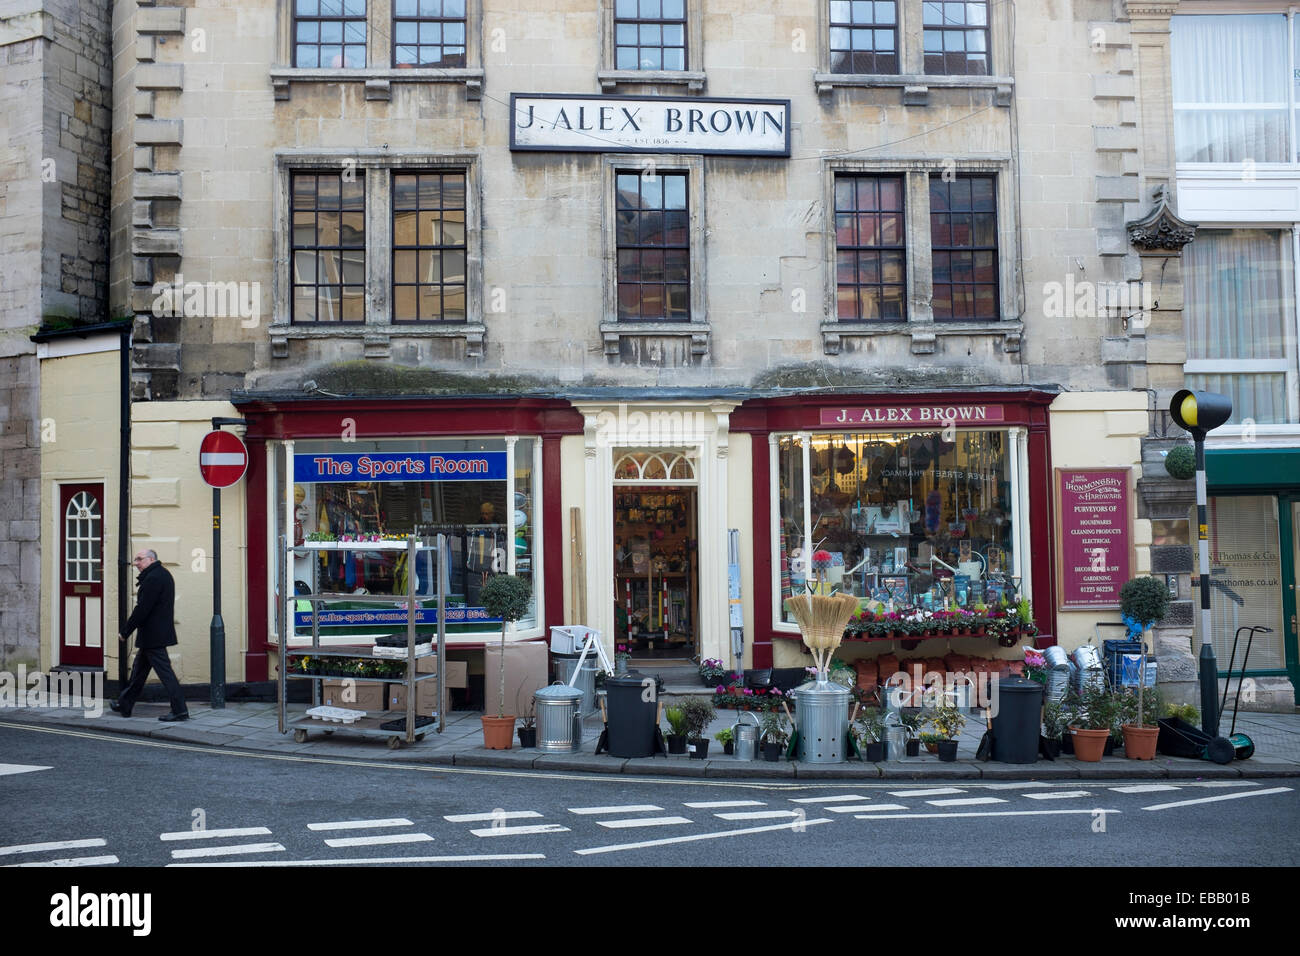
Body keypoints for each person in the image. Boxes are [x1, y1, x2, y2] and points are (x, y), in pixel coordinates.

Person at [110, 549, 188, 721]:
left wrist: (125, 631)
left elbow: (142, 609)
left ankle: (180, 709)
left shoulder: (153, 578)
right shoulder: (162, 574)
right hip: (153, 634)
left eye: (139, 559)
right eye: (135, 560)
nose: (136, 563)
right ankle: (125, 703)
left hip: (153, 635)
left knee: (165, 673)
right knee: (138, 672)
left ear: (151, 559)